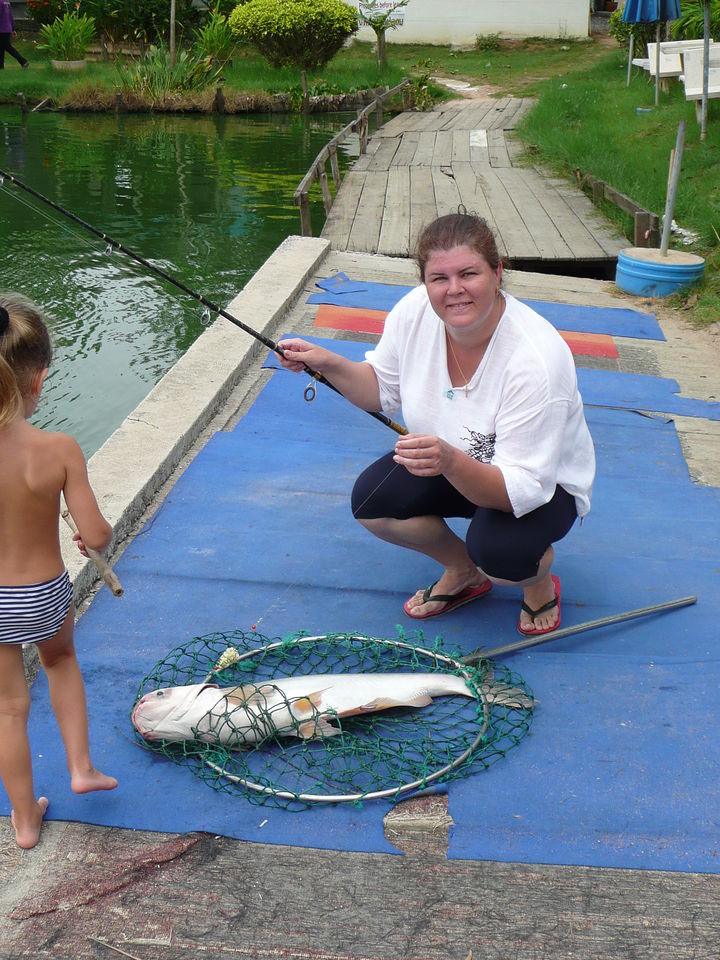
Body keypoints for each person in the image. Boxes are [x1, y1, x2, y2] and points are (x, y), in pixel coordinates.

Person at [278, 212, 595, 636]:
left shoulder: (536, 360)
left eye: (469, 273)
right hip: (450, 460)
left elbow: (520, 488)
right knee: (370, 503)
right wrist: (327, 363)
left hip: (539, 485)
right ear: (424, 282)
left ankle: (537, 583)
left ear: (498, 273)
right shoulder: (414, 312)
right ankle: (463, 569)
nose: (454, 289)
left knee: (500, 556)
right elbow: (378, 390)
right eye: (439, 278)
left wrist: (449, 461)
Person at [0, 292, 116, 850]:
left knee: (8, 708)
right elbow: (96, 535)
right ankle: (81, 768)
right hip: (44, 593)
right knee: (61, 662)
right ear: (39, 378)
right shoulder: (59, 448)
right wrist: (89, 536)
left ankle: (24, 820)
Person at [0, 0, 29, 70]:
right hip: (7, 27)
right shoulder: (6, 2)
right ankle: (1, 66)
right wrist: (12, 28)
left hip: (2, 28)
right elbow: (10, 16)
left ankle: (23, 61)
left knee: (7, 46)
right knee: (1, 47)